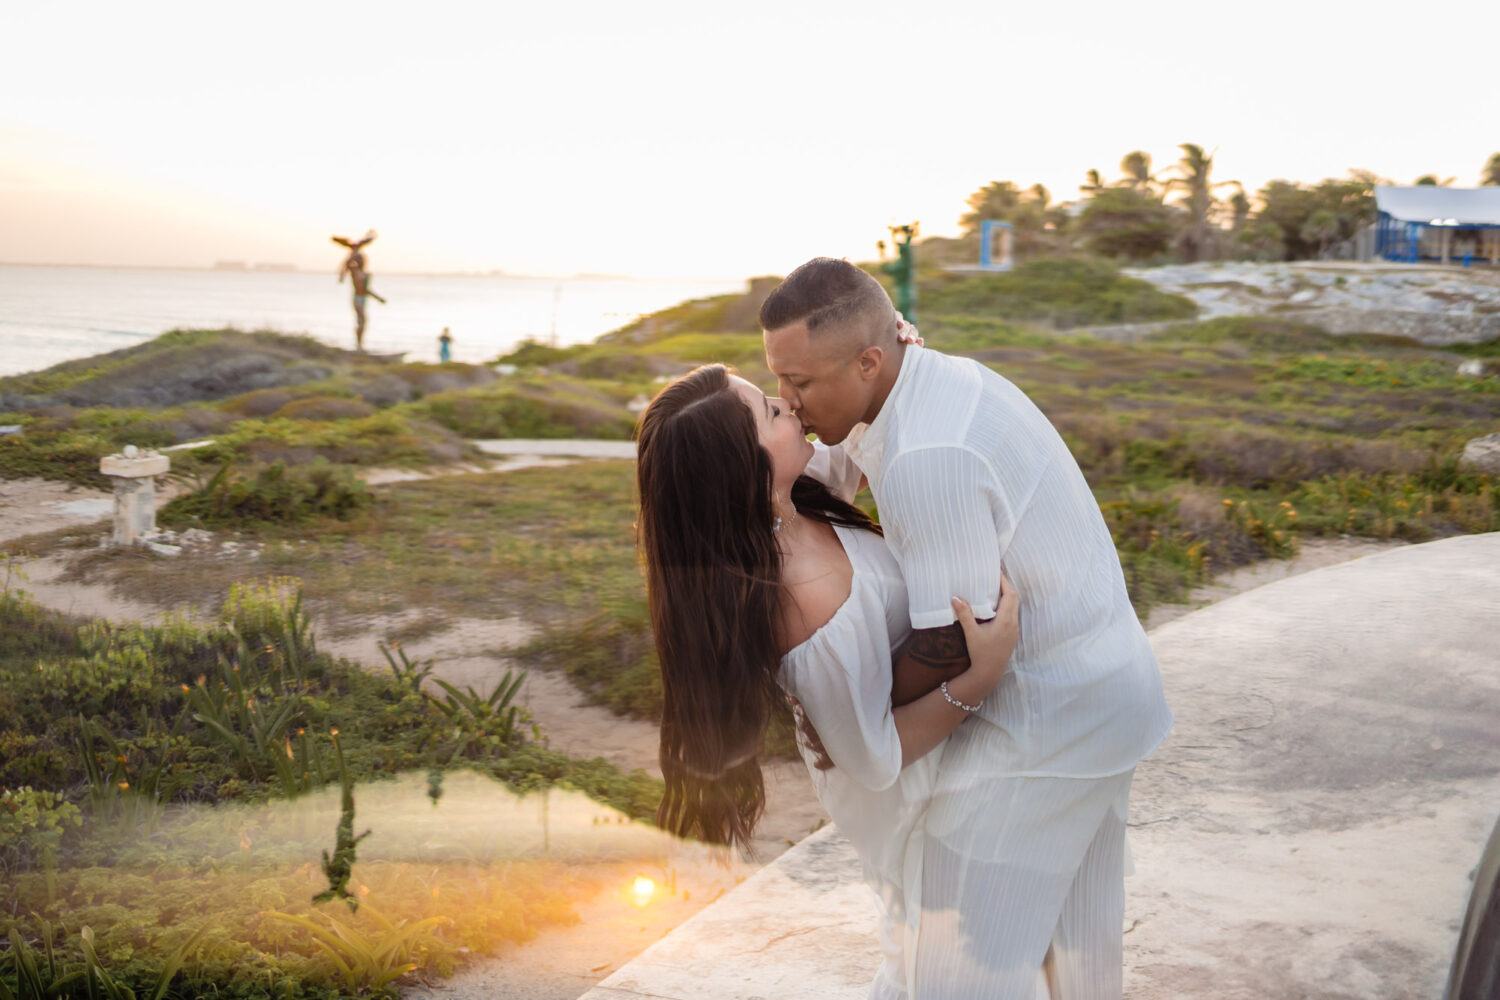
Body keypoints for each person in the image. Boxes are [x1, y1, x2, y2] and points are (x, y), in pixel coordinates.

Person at [760, 257, 1173, 1000]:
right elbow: (830, 463)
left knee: (952, 973)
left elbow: (950, 642)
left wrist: (850, 717)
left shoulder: (928, 455)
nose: (789, 402)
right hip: (1105, 702)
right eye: (776, 384)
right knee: (1075, 968)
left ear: (869, 360)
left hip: (1039, 734)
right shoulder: (925, 383)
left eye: (801, 384)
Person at [635, 363, 1022, 998]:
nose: (788, 404)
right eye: (770, 411)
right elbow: (871, 759)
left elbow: (850, 443)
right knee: (944, 962)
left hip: (939, 760)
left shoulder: (788, 497)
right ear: (744, 471)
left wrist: (886, 355)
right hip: (904, 788)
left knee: (967, 952)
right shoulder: (802, 598)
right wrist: (981, 675)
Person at [332, 230, 386, 351]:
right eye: (359, 258)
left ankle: (359, 345)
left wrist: (378, 298)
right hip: (357, 298)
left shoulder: (366, 273)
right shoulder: (354, 270)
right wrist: (356, 247)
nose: (361, 259)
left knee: (363, 322)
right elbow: (346, 263)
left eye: (362, 258)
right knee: (361, 322)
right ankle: (359, 346)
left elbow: (367, 289)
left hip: (363, 298)